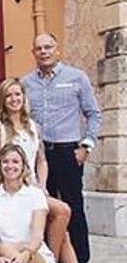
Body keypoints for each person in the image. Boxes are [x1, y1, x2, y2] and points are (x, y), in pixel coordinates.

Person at [22, 33, 100, 263]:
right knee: (43, 208)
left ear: (57, 50)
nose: (44, 51)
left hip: (68, 153)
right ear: (33, 53)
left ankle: (81, 258)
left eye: (48, 47)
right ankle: (50, 257)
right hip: (39, 155)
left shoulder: (77, 78)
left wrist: (86, 146)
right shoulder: (26, 83)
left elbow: (93, 114)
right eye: (39, 48)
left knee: (73, 207)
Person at [0, 77, 78, 263]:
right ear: (2, 100)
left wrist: (42, 185)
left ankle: (47, 257)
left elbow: (41, 160)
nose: (14, 99)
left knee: (64, 229)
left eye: (17, 94)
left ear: (23, 97)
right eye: (8, 95)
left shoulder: (33, 126)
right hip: (11, 183)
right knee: (62, 211)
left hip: (33, 184)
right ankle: (46, 257)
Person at [0, 145, 56, 263]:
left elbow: (38, 235)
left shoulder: (36, 194)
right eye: (5, 162)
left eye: (15, 162)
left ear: (23, 166)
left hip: (34, 252)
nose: (10, 166)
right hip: (6, 253)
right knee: (4, 247)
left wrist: (26, 255)